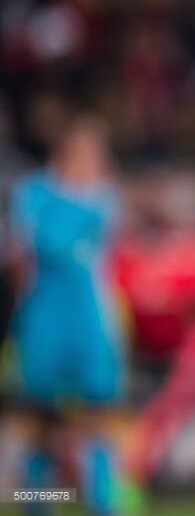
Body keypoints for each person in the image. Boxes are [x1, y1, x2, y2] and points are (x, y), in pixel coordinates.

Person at [5, 115, 125, 515]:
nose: (93, 160)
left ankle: (102, 502)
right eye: (85, 151)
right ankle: (36, 503)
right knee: (40, 417)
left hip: (90, 318)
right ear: (65, 150)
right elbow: (38, 246)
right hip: (45, 317)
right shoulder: (34, 193)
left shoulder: (103, 197)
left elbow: (99, 254)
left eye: (97, 152)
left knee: (98, 413)